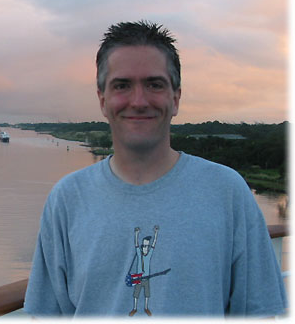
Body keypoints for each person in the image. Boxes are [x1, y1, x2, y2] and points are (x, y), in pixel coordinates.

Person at [23, 21, 287, 317]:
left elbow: (259, 314)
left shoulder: (228, 192)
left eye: (154, 84)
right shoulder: (67, 200)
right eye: (122, 85)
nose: (138, 101)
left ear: (175, 98)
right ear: (102, 99)